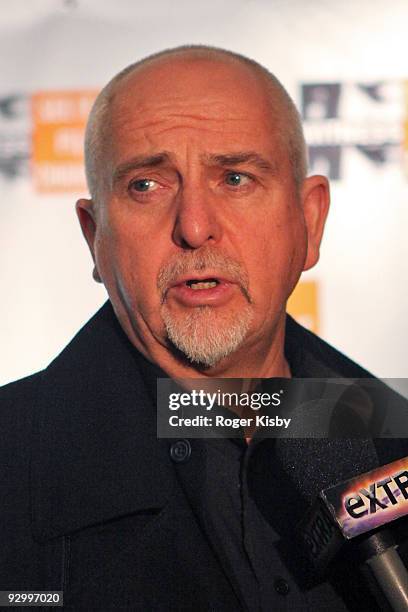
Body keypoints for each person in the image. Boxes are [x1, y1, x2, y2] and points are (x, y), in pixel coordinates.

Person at [0, 45, 406, 610]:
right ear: (95, 236)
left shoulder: (395, 439)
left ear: (310, 222)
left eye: (235, 178)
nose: (194, 228)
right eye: (147, 185)